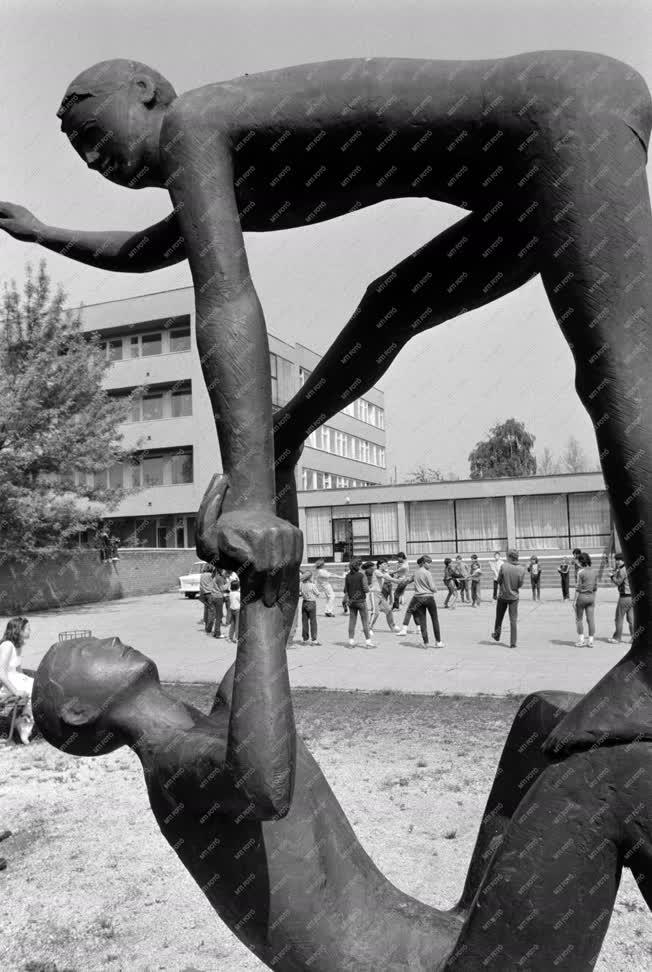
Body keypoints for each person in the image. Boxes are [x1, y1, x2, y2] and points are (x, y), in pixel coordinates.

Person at [3, 51, 652, 751]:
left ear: (147, 92)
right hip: (527, 163)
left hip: (564, 112)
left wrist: (250, 495)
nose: (93, 156)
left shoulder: (196, 120)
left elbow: (225, 298)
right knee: (391, 305)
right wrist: (42, 233)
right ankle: (291, 435)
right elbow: (146, 250)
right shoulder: (219, 158)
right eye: (79, 151)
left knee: (618, 365)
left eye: (95, 131)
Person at [0, 618, 34, 744]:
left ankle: (23, 722)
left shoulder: (18, 647)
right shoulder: (7, 646)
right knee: (34, 689)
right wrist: (15, 691)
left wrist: (27, 680)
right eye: (28, 628)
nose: (30, 631)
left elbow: (19, 672)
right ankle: (23, 725)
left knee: (39, 687)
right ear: (19, 630)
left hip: (16, 679)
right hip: (5, 685)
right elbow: (1, 673)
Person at [397, 555, 444, 648]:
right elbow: (433, 587)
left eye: (430, 563)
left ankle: (426, 642)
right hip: (429, 597)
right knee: (434, 619)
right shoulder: (427, 573)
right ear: (423, 563)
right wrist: (435, 590)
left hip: (418, 598)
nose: (429, 564)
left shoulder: (416, 573)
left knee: (423, 621)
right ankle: (438, 642)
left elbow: (407, 581)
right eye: (428, 562)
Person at [491, 550, 526, 649]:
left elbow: (498, 580)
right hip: (514, 597)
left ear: (510, 557)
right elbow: (520, 584)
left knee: (499, 617)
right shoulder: (521, 569)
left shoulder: (504, 566)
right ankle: (513, 642)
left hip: (503, 596)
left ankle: (497, 635)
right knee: (513, 620)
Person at [343, 560, 375, 648]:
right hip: (361, 601)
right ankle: (368, 642)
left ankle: (350, 642)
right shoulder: (361, 575)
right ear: (358, 566)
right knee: (365, 622)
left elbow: (345, 590)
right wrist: (370, 588)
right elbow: (365, 589)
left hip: (352, 601)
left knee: (352, 621)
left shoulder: (347, 576)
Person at [574, 551, 599, 648]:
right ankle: (591, 641)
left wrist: (574, 601)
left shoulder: (580, 572)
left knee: (579, 619)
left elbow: (578, 587)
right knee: (591, 620)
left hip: (582, 597)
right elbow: (595, 587)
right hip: (591, 597)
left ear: (581, 561)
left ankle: (581, 640)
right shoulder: (594, 571)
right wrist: (593, 597)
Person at [608, 553, 634, 644]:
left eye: (619, 560)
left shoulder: (622, 570)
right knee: (631, 619)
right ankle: (634, 638)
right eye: (616, 560)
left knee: (618, 618)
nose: (617, 562)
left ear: (623, 560)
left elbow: (618, 582)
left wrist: (612, 576)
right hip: (632, 596)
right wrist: (616, 572)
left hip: (624, 597)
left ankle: (617, 638)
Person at [369, 558, 399, 634]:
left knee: (389, 610)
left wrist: (396, 576)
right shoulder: (376, 571)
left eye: (386, 564)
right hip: (374, 593)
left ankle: (392, 626)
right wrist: (396, 580)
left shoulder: (383, 571)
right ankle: (369, 628)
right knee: (375, 612)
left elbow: (388, 575)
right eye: (384, 564)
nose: (386, 565)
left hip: (380, 594)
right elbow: (386, 577)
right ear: (380, 565)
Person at [300, 570, 321, 646]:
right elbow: (318, 594)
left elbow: (300, 593)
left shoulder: (301, 584)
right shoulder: (312, 585)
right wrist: (315, 584)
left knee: (304, 622)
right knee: (313, 622)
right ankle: (314, 640)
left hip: (304, 603)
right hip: (312, 603)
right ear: (310, 577)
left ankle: (305, 639)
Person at [227, 578, 240, 643]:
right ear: (238, 587)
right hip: (237, 610)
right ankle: (236, 638)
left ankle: (230, 637)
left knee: (232, 624)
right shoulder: (238, 594)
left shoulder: (231, 593)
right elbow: (241, 601)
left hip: (232, 609)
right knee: (237, 624)